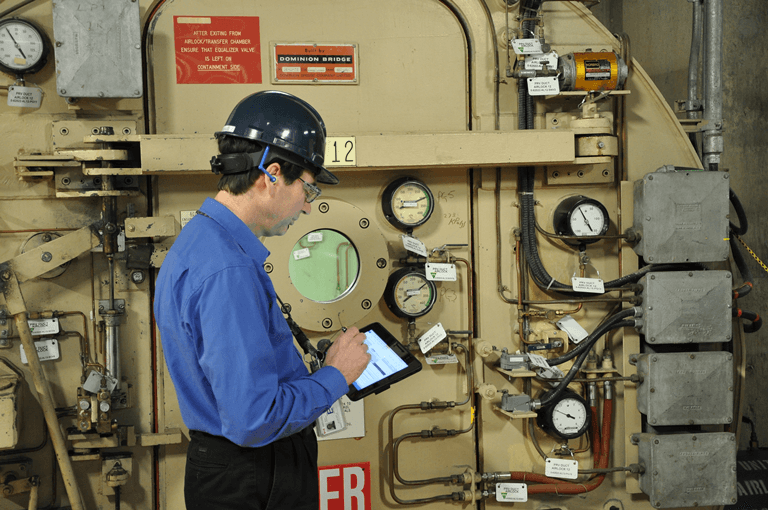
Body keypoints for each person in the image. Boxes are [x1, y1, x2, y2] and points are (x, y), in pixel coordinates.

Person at [154, 90, 371, 510]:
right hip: (254, 474)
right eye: (308, 191)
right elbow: (254, 418)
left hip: (236, 470)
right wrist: (335, 376)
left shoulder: (201, 243)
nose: (307, 210)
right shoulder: (227, 271)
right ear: (271, 174)